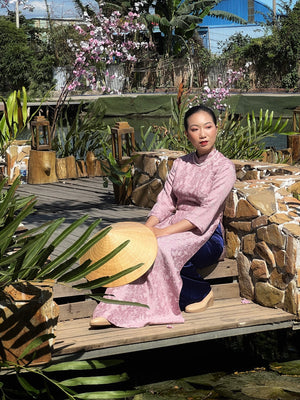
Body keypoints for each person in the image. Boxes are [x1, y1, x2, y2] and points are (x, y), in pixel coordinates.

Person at [91, 104, 236, 328]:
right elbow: (166, 202)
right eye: (195, 129)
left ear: (217, 128)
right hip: (175, 224)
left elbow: (207, 213)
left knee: (162, 248)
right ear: (187, 134)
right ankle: (115, 306)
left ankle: (200, 293)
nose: (203, 134)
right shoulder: (180, 164)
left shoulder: (224, 168)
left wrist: (163, 233)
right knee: (141, 246)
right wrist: (147, 229)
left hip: (207, 234)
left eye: (208, 127)